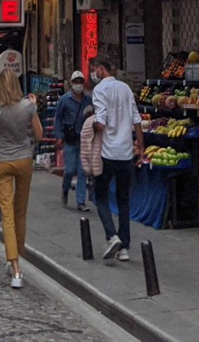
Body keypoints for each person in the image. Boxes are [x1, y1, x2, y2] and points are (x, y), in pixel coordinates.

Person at [0, 69, 43, 289]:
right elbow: (38, 135)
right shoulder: (28, 107)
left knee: (7, 215)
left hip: (2, 162)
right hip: (24, 161)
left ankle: (15, 266)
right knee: (20, 211)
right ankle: (17, 255)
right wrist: (33, 109)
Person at [90, 56, 143, 262]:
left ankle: (111, 235)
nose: (93, 75)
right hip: (126, 153)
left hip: (107, 153)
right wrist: (141, 146)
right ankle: (125, 248)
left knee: (100, 196)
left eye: (94, 70)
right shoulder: (125, 89)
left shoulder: (99, 91)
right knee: (124, 201)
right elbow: (136, 120)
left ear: (101, 69)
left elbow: (101, 124)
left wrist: (92, 122)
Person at [53, 71, 92, 211]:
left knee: (82, 170)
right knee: (69, 170)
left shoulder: (88, 99)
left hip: (84, 139)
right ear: (72, 84)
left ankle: (80, 200)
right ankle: (65, 188)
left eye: (80, 82)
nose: (78, 85)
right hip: (69, 139)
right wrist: (58, 136)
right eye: (76, 82)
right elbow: (58, 118)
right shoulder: (64, 100)